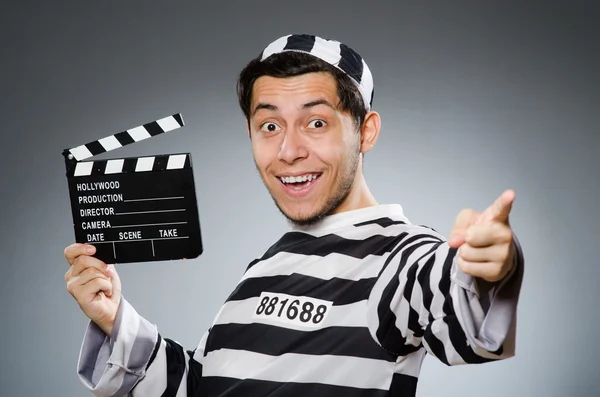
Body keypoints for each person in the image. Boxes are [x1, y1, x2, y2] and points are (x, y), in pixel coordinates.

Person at [64, 33, 524, 397]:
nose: (288, 150)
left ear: (365, 132)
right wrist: (116, 319)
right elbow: (201, 387)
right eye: (270, 126)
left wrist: (489, 269)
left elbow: (457, 308)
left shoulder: (401, 260)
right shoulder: (263, 269)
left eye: (316, 122)